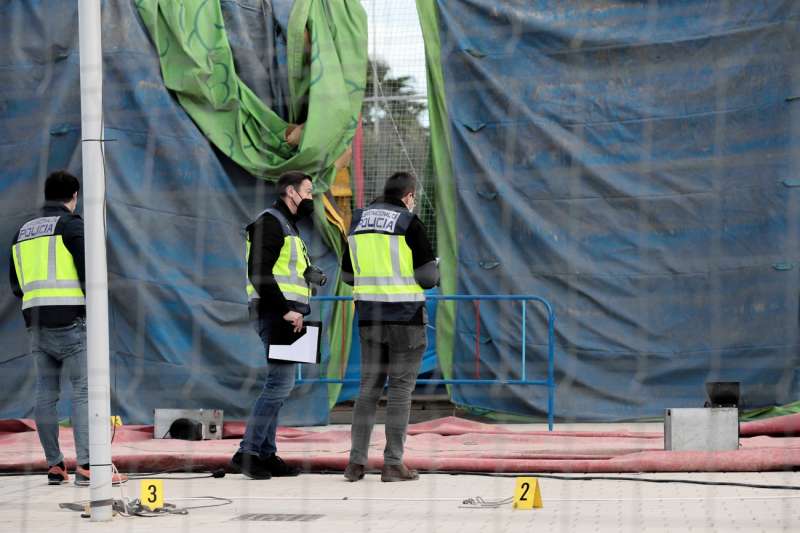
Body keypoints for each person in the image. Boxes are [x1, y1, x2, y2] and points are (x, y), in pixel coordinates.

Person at [8, 171, 126, 487]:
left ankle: (54, 465)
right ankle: (87, 465)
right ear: (74, 195)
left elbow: (16, 286)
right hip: (73, 324)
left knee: (45, 394)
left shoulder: (22, 232)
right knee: (85, 392)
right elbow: (92, 276)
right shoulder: (73, 226)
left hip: (36, 325)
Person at [341, 171, 439, 482]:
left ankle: (355, 463)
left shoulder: (357, 223)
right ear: (409, 196)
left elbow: (347, 276)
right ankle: (393, 463)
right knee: (399, 390)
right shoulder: (408, 222)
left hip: (370, 318)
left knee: (367, 390)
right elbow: (427, 279)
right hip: (406, 318)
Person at [231, 171, 318, 479]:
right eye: (308, 191)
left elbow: (281, 269)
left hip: (290, 312)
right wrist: (284, 311)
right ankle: (248, 452)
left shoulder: (288, 226)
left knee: (283, 386)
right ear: (291, 192)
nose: (311, 197)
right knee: (278, 385)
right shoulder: (269, 222)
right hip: (277, 312)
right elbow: (260, 273)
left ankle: (266, 453)